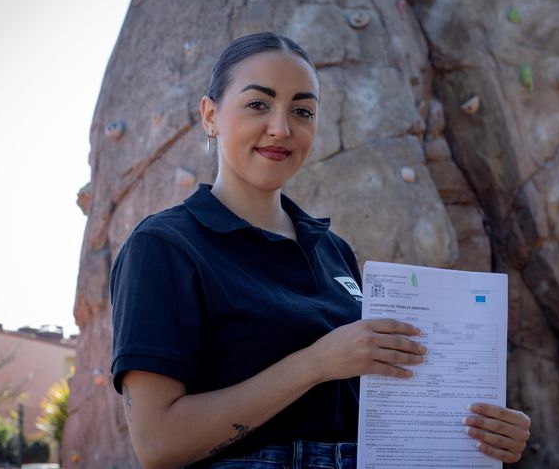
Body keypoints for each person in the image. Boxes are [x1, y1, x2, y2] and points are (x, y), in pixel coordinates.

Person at [110, 32, 531, 469]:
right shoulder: (164, 245)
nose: (281, 128)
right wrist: (316, 363)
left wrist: (479, 430)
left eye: (302, 111)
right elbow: (157, 444)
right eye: (258, 104)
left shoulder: (334, 251)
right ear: (211, 116)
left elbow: (380, 419)